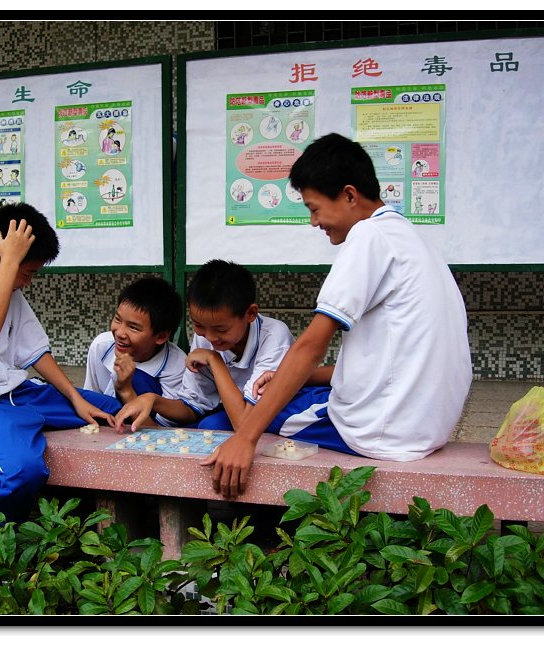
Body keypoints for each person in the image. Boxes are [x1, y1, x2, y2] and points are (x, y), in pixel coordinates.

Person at [202, 133, 472, 498]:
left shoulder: (367, 237)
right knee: (289, 384)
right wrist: (305, 378)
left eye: (314, 209)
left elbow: (312, 343)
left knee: (250, 404)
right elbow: (392, 362)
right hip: (428, 426)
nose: (313, 222)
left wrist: (245, 440)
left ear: (349, 195)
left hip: (382, 431)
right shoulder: (413, 240)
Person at [0, 203, 120, 523]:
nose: (27, 282)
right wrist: (10, 264)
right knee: (24, 470)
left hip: (17, 392)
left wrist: (76, 398)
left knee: (114, 412)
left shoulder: (9, 289)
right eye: (26, 273)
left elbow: (36, 352)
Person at [114, 259, 299, 433]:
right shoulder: (207, 336)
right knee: (206, 424)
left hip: (274, 414)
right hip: (234, 411)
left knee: (213, 425)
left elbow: (246, 423)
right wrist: (152, 399)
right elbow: (192, 407)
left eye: (221, 329)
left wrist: (214, 360)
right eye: (198, 325)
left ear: (250, 314)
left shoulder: (274, 337)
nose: (210, 337)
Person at [83, 277, 186, 410]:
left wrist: (125, 390)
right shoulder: (101, 346)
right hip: (108, 421)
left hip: (149, 426)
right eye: (118, 319)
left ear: (161, 336)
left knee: (138, 378)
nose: (120, 333)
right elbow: (91, 401)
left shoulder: (177, 367)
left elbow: (162, 430)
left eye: (133, 327)